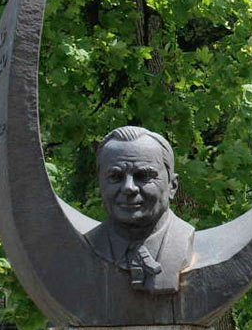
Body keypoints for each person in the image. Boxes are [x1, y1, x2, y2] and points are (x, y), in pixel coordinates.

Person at [84, 126, 195, 293]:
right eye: (115, 176)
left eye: (143, 176)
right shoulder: (87, 248)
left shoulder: (183, 242)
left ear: (172, 186)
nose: (129, 188)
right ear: (100, 185)